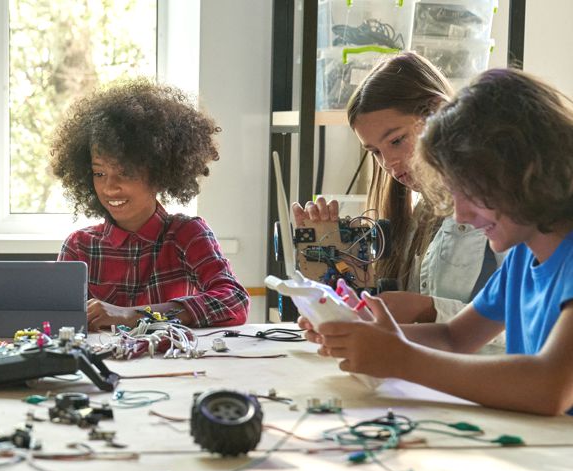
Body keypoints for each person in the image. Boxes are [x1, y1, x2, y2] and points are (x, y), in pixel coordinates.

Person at [302, 69, 573, 416]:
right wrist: (357, 334)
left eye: (472, 191)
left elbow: (549, 388)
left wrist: (400, 358)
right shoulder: (523, 256)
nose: (459, 215)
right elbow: (453, 337)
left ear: (526, 171)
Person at [294, 52, 503, 332]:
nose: (389, 163)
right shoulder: (418, 214)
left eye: (396, 140)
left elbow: (529, 323)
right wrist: (342, 278)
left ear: (438, 113)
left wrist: (428, 310)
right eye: (375, 152)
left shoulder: (505, 204)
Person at [51, 78, 249, 330]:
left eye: (125, 172)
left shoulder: (187, 235)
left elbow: (234, 301)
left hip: (175, 366)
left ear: (158, 173)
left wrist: (133, 315)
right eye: (99, 173)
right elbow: (57, 321)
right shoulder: (80, 247)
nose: (110, 186)